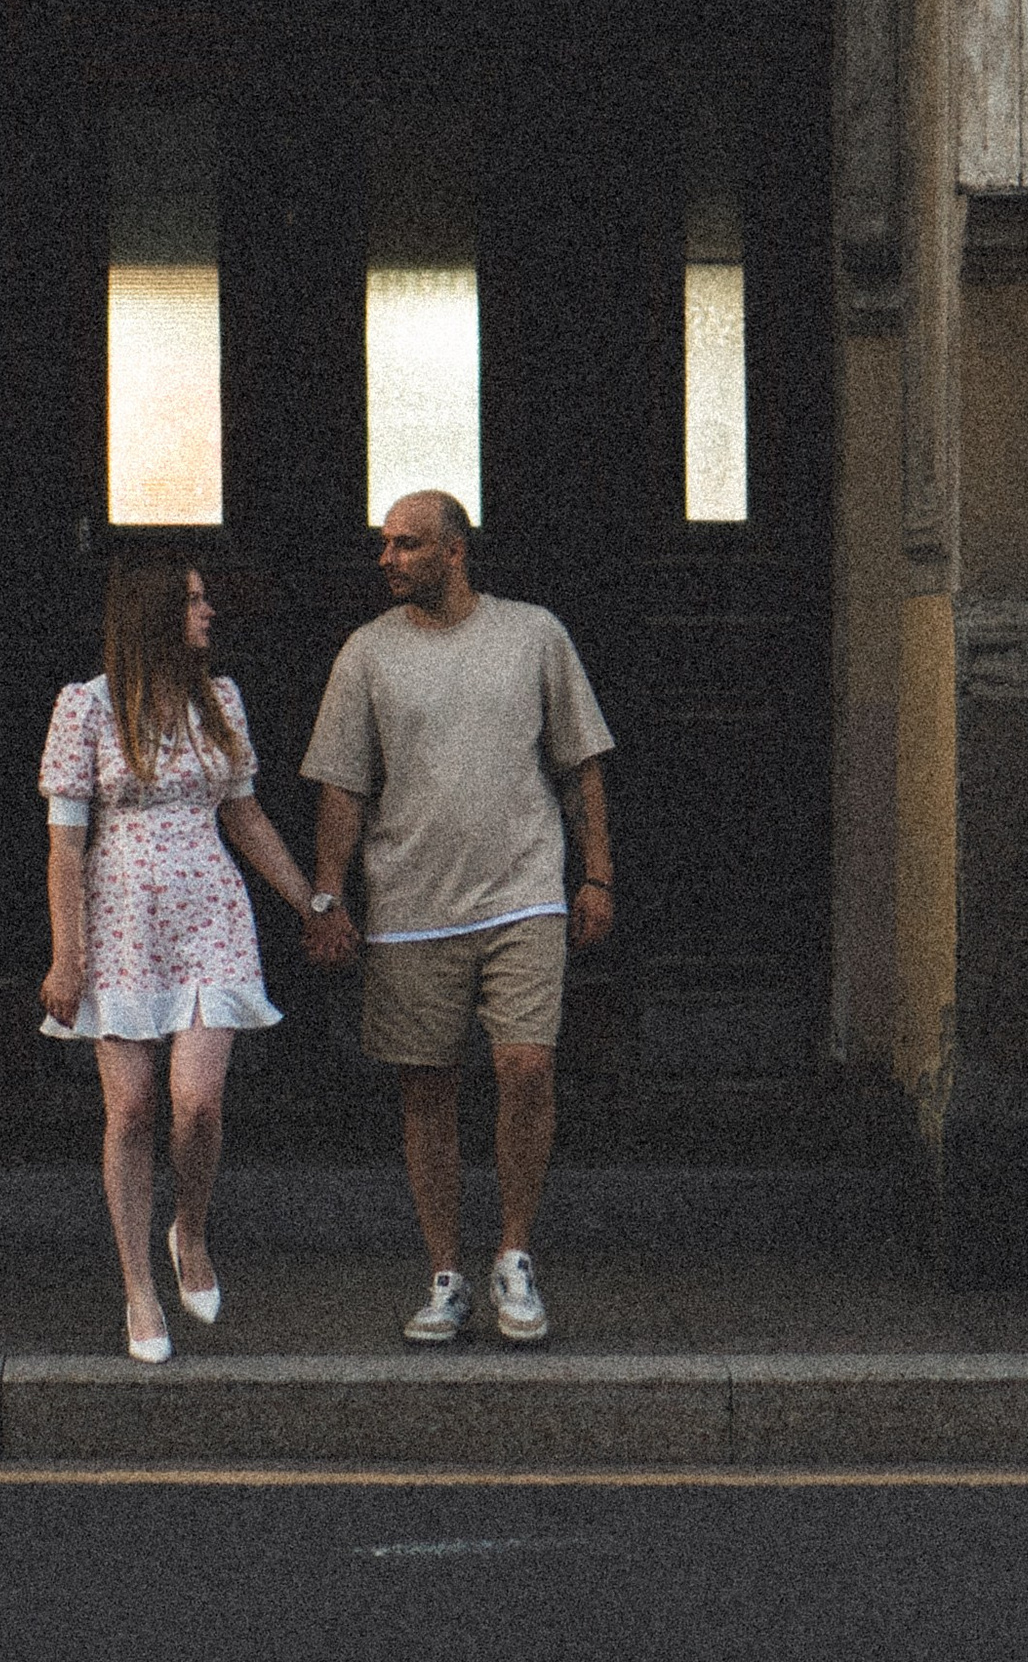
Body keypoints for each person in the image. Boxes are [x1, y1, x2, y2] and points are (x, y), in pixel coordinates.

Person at [300, 488, 614, 1346]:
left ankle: (513, 1253)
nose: (388, 560)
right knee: (426, 1087)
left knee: (525, 1069)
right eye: (385, 544)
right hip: (410, 903)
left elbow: (581, 763)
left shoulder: (534, 635)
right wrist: (328, 896)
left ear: (454, 551)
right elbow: (341, 785)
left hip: (524, 893)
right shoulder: (367, 653)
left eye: (406, 545)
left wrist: (598, 877)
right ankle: (445, 1270)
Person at [38, 557, 318, 1363]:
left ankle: (188, 1231)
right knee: (130, 1109)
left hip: (210, 917)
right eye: (193, 600)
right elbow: (66, 845)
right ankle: (137, 1288)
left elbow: (246, 814)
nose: (208, 612)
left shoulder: (219, 700)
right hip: (120, 920)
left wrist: (309, 903)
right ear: (156, 613)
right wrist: (67, 956)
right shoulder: (85, 708)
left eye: (205, 596)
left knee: (196, 1103)